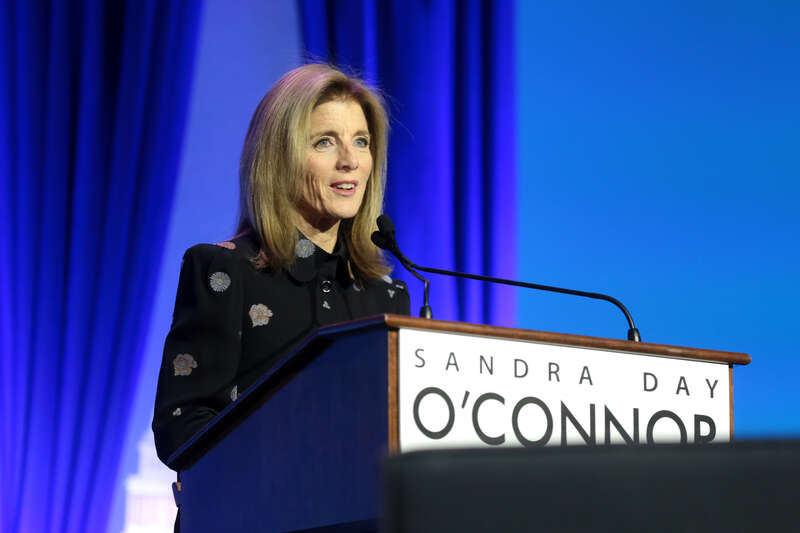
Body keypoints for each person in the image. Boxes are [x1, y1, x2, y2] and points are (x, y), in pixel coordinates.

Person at [152, 64, 410, 467]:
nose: (351, 161)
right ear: (279, 157)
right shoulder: (224, 271)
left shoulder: (387, 293)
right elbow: (181, 427)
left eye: (361, 141)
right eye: (325, 142)